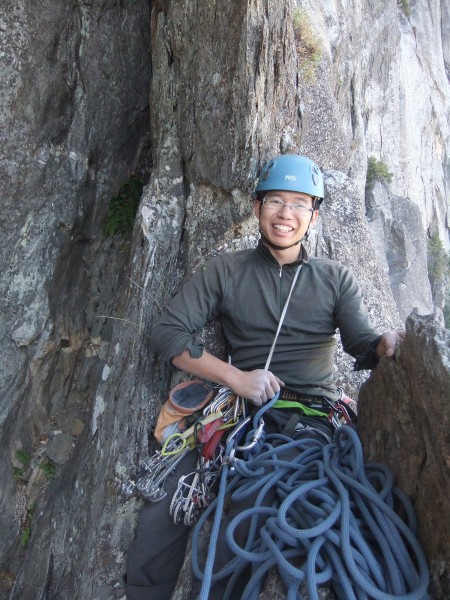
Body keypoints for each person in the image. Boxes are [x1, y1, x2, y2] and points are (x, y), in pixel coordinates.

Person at [124, 154, 405, 600]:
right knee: (166, 503)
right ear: (257, 207)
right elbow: (166, 332)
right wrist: (236, 378)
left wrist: (385, 344)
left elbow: (362, 345)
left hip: (311, 417)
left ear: (314, 215)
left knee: (254, 510)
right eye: (275, 200)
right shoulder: (226, 269)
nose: (285, 214)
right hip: (242, 412)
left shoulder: (335, 279)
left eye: (298, 204)